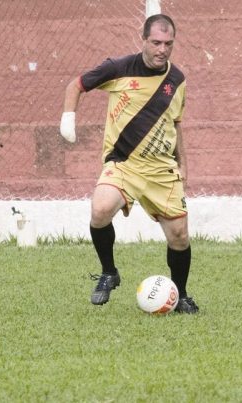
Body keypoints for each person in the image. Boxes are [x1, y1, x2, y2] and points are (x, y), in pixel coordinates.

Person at [59, 14, 198, 313]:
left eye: (168, 44)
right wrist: (68, 119)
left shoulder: (178, 80)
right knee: (100, 209)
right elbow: (76, 85)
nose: (162, 49)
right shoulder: (119, 68)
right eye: (156, 43)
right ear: (143, 39)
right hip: (123, 164)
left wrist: (183, 162)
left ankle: (182, 295)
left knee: (179, 236)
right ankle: (109, 272)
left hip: (161, 169)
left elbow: (176, 123)